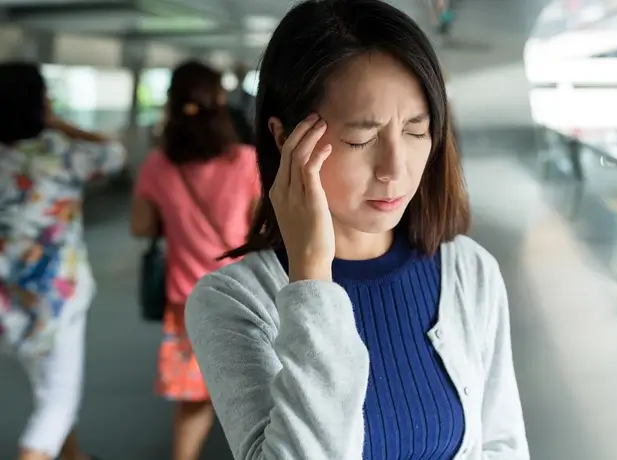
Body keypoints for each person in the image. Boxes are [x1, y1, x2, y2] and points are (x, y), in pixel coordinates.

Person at [185, 1, 529, 459]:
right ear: (285, 138)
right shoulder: (233, 302)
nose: (394, 169)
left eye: (416, 130)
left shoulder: (469, 271)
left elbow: (502, 444)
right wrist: (310, 277)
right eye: (360, 139)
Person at [130, 60, 260, 460]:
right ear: (220, 101)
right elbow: (262, 232)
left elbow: (142, 227)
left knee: (194, 401)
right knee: (259, 394)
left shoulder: (158, 164)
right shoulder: (246, 162)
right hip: (246, 297)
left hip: (187, 301)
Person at [0, 62, 126, 460]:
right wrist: (60, 124)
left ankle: (72, 456)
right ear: (40, 104)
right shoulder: (61, 153)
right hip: (55, 299)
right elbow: (114, 153)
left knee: (51, 388)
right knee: (56, 402)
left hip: (6, 299)